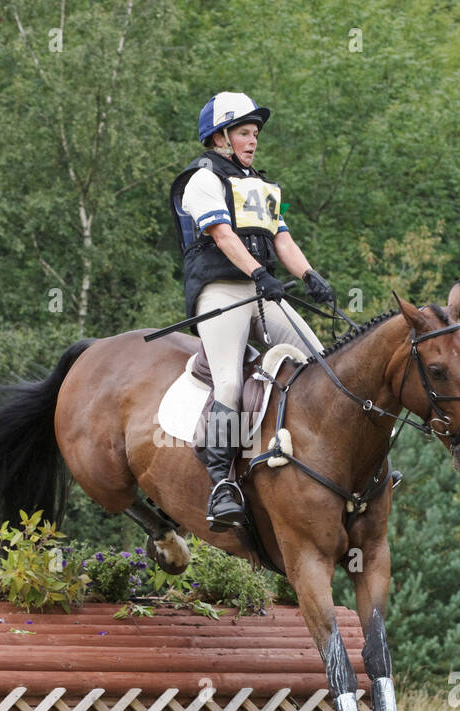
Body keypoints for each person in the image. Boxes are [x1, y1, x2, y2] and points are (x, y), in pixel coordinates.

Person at [169, 92, 335, 531]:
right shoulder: (202, 179)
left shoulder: (261, 185)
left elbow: (282, 238)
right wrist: (260, 273)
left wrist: (310, 276)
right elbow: (223, 237)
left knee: (319, 362)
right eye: (244, 132)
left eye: (255, 133)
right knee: (229, 379)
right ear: (220, 137)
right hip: (221, 290)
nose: (253, 140)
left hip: (261, 288)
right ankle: (222, 484)